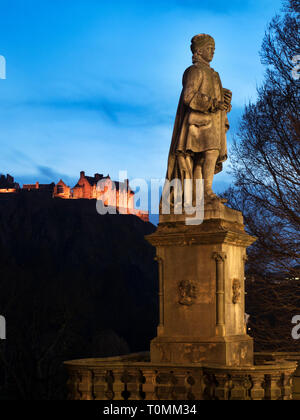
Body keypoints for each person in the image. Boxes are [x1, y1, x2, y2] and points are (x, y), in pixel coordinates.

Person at [165, 34, 232, 205]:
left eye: (214, 50)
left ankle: (200, 193)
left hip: (212, 122)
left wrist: (224, 102)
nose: (213, 52)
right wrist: (212, 103)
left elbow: (217, 102)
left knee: (206, 157)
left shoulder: (214, 74)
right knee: (209, 153)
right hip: (198, 123)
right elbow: (189, 96)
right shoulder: (194, 71)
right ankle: (206, 192)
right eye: (210, 49)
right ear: (199, 51)